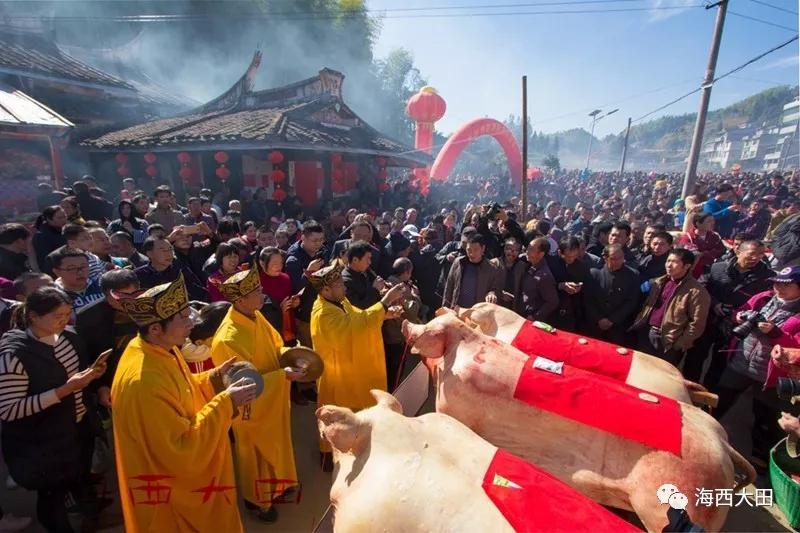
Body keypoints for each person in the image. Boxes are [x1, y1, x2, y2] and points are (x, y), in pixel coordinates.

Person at [112, 275, 253, 532]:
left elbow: (183, 387)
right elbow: (178, 451)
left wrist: (213, 377)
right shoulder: (143, 382)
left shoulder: (162, 348)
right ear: (155, 327)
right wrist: (226, 402)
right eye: (184, 319)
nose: (193, 323)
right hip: (171, 491)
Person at [0, 287, 106, 533]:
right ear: (34, 317)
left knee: (79, 475)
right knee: (53, 497)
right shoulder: (13, 356)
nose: (64, 321)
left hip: (77, 427)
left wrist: (95, 380)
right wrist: (64, 390)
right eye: (58, 315)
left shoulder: (70, 337)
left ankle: (89, 511)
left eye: (68, 314)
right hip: (43, 442)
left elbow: (79, 374)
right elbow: (9, 409)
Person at [210, 269, 305, 523]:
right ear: (239, 301)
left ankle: (282, 484)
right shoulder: (227, 338)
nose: (262, 295)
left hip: (274, 398)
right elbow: (243, 383)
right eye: (256, 293)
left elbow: (275, 347)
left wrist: (292, 354)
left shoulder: (255, 316)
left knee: (280, 441)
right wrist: (280, 375)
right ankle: (258, 501)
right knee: (255, 452)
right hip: (253, 406)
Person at [310, 264, 405, 470]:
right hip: (338, 373)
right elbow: (353, 327)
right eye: (338, 284)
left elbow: (356, 316)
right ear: (325, 290)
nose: (344, 287)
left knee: (354, 413)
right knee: (336, 417)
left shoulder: (340, 300)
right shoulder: (323, 313)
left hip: (352, 368)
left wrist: (384, 314)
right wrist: (384, 301)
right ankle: (330, 458)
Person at [713, 266, 800, 467]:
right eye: (777, 282)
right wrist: (741, 317)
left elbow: (796, 349)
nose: (779, 288)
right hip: (740, 362)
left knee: (765, 416)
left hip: (770, 376)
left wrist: (775, 333)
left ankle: (759, 460)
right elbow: (739, 311)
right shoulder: (763, 298)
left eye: (787, 285)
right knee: (720, 400)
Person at [686, 240, 773, 386]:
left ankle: (707, 396)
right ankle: (688, 387)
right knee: (695, 357)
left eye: (760, 254)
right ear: (738, 251)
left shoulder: (766, 278)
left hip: (735, 327)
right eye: (752, 254)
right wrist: (715, 304)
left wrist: (742, 314)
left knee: (719, 365)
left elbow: (766, 302)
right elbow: (701, 287)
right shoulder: (717, 268)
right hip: (708, 320)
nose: (756, 258)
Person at [631, 248, 710, 367]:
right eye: (668, 261)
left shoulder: (696, 291)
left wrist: (680, 343)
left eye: (674, 262)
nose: (669, 265)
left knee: (661, 376)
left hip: (668, 341)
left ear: (687, 266)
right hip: (647, 334)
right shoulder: (659, 282)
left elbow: (697, 323)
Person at [74, 269, 141, 410]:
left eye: (131, 295)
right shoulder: (88, 317)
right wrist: (100, 386)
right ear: (106, 294)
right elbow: (88, 355)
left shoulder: (151, 306)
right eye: (118, 297)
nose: (126, 301)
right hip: (113, 378)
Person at [583, 244, 641, 345]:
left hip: (618, 327)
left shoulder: (633, 275)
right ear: (605, 258)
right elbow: (588, 299)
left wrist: (612, 320)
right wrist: (599, 318)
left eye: (621, 258)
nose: (619, 261)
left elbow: (631, 301)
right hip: (594, 325)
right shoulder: (594, 273)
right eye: (614, 258)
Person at [284, 221, 326, 348]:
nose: (318, 244)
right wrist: (309, 272)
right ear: (303, 238)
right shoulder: (293, 259)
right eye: (314, 240)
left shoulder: (322, 251)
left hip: (322, 308)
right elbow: (296, 287)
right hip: (304, 314)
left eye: (321, 240)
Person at [384, 257, 422, 391]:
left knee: (388, 366)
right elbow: (411, 312)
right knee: (396, 369)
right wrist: (415, 295)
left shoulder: (387, 281)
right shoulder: (401, 288)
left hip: (387, 333)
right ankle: (393, 393)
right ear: (406, 272)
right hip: (397, 334)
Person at [135, 237, 207, 301]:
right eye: (163, 250)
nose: (169, 254)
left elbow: (200, 293)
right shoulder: (138, 275)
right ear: (149, 253)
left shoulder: (180, 270)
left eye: (170, 249)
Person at [442, 233, 501, 309]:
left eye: (476, 250)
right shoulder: (459, 262)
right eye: (469, 250)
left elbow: (495, 288)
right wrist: (445, 307)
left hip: (478, 312)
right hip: (457, 309)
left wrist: (492, 294)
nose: (472, 253)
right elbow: (449, 285)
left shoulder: (491, 268)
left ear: (483, 248)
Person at [548, 236, 591, 332]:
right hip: (551, 309)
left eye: (574, 256)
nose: (571, 259)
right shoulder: (551, 263)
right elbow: (543, 284)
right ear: (560, 252)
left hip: (571, 311)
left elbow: (588, 286)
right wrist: (560, 286)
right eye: (568, 256)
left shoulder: (582, 266)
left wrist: (580, 287)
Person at [49, 248, 104, 320]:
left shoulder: (102, 285)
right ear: (57, 272)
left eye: (83, 266)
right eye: (72, 268)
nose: (80, 272)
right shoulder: (53, 296)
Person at [257, 247, 298, 344]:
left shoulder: (285, 278)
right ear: (262, 263)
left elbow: (289, 300)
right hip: (270, 330)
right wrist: (279, 311)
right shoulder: (257, 283)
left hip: (288, 328)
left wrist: (294, 303)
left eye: (281, 263)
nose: (279, 266)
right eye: (274, 263)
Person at [519, 237, 559, 322]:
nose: (527, 251)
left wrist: (535, 317)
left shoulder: (544, 275)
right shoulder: (531, 266)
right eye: (528, 248)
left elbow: (552, 302)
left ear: (541, 254)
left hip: (531, 320)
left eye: (531, 249)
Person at [678, 212, 725, 279]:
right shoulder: (688, 238)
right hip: (695, 272)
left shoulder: (714, 236)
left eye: (713, 220)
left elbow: (721, 250)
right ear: (698, 223)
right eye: (709, 221)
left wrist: (704, 253)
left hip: (712, 269)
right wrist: (710, 253)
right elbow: (693, 254)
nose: (712, 223)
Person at [342, 240, 382, 310]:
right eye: (367, 259)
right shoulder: (346, 281)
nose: (369, 262)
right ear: (355, 260)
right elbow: (358, 308)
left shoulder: (365, 272)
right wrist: (375, 290)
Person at [490, 238, 525, 311]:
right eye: (509, 249)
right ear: (504, 250)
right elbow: (486, 285)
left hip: (514, 309)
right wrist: (500, 294)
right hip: (495, 307)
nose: (512, 252)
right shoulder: (494, 263)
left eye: (516, 250)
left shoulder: (522, 267)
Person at [32, 206, 67, 273]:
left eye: (64, 216)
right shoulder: (42, 236)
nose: (64, 219)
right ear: (49, 219)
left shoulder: (64, 230)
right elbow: (45, 260)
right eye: (60, 218)